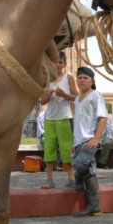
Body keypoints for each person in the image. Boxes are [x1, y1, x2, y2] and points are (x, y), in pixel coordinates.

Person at [70, 67, 108, 217]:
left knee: (79, 165)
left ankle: (79, 183)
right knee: (89, 169)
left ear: (92, 81)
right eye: (79, 77)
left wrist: (96, 138)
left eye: (85, 78)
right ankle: (95, 207)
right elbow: (77, 123)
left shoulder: (95, 95)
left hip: (90, 140)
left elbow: (103, 118)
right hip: (79, 141)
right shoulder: (77, 100)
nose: (82, 80)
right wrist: (74, 143)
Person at [39, 51, 76, 189]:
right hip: (50, 119)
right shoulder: (46, 79)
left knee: (67, 148)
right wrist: (48, 95)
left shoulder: (69, 78)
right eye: (55, 62)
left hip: (65, 118)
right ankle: (49, 179)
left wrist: (64, 95)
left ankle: (71, 178)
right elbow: (42, 101)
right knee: (49, 149)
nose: (57, 65)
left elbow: (77, 97)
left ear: (65, 64)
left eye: (60, 62)